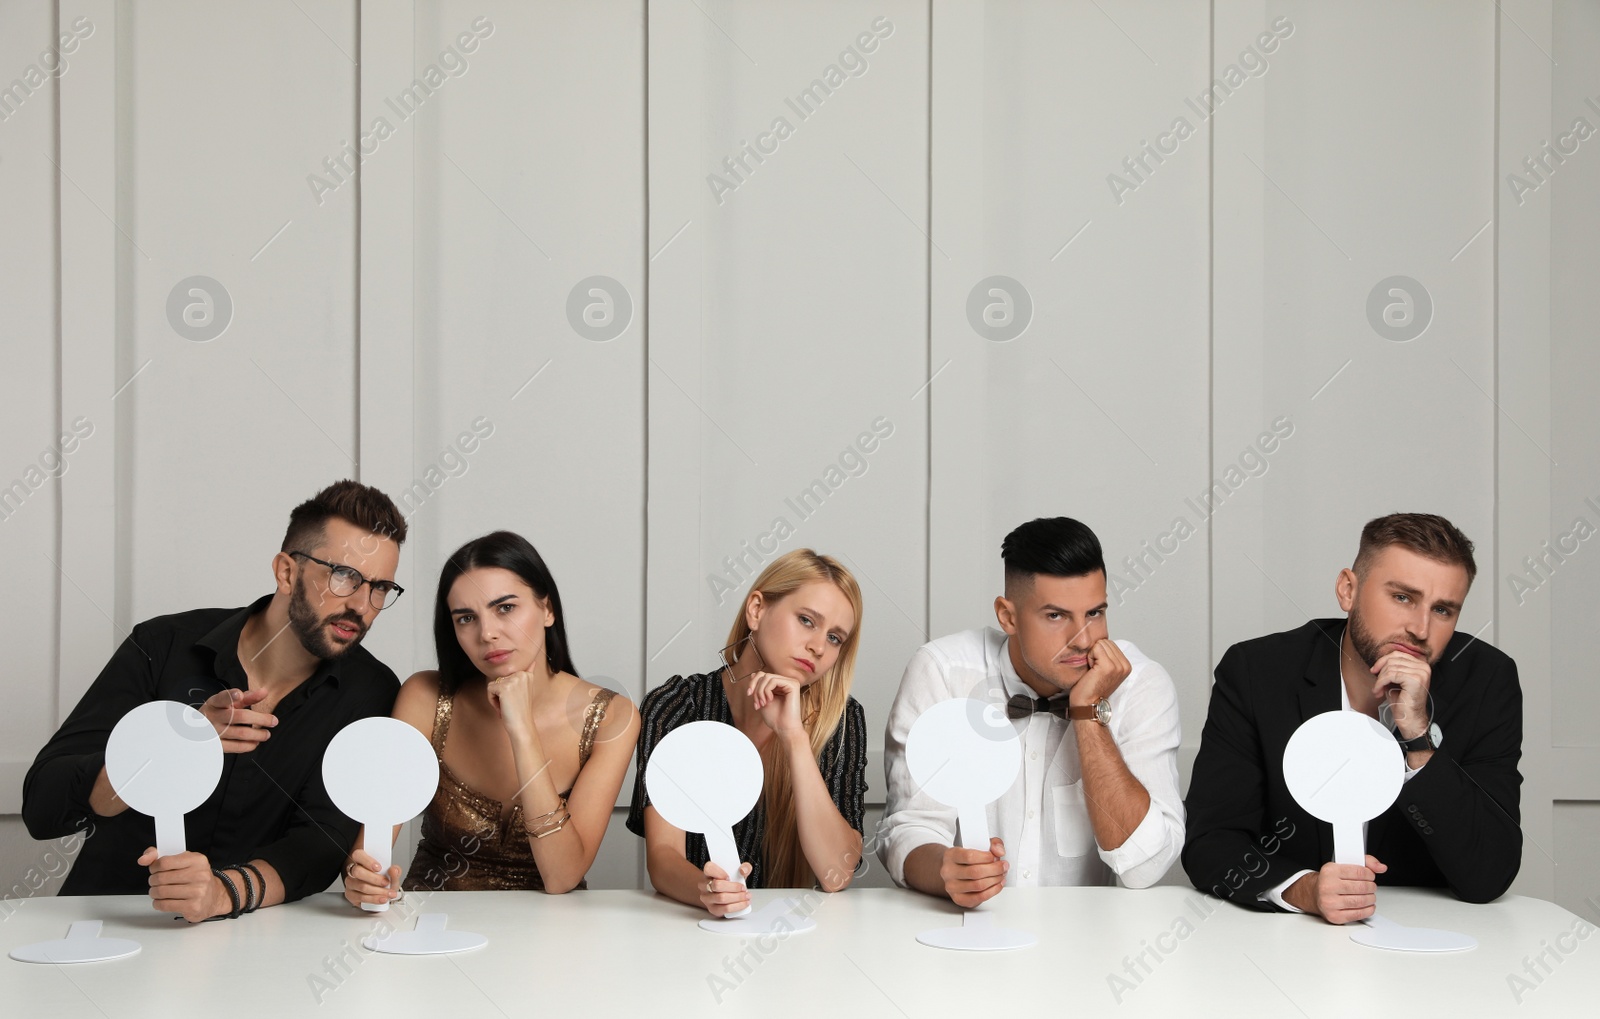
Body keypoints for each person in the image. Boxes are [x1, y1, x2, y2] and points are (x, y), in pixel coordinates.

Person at [22, 480, 407, 921]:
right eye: (344, 576)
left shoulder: (371, 690)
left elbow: (319, 843)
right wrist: (175, 743)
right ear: (286, 572)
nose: (362, 605)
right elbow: (43, 805)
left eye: (380, 588)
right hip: (107, 924)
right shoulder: (162, 645)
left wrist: (221, 894)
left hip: (258, 948)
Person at [1182, 513, 1523, 922]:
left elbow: (1489, 872)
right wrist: (1303, 888)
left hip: (1425, 939)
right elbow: (1210, 842)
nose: (1420, 628)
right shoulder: (1257, 672)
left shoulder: (1486, 681)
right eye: (1402, 597)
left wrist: (1417, 737)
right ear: (1348, 590)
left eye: (1444, 610)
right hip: (1288, 943)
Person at [879, 517, 1183, 905]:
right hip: (962, 934)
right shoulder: (943, 671)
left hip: (1087, 945)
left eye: (1094, 613)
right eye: (1056, 616)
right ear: (1008, 616)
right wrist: (947, 872)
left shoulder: (1141, 685)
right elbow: (910, 828)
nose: (1084, 640)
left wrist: (1089, 714)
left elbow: (1144, 867)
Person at [342, 532, 638, 903]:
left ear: (547, 609)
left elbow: (561, 876)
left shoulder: (612, 716)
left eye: (505, 608)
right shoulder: (425, 698)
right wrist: (360, 878)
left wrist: (522, 730)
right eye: (466, 618)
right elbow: (370, 848)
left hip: (550, 937)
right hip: (433, 924)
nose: (487, 633)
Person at [627, 549, 868, 916]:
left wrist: (794, 738)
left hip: (791, 937)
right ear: (756, 610)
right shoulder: (676, 706)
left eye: (835, 638)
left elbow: (836, 873)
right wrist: (708, 892)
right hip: (690, 930)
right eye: (806, 620)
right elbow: (663, 857)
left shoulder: (842, 719)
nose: (818, 647)